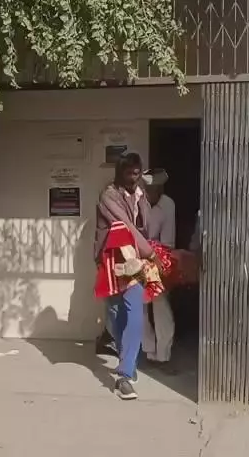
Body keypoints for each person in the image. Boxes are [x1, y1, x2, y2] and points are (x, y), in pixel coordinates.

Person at [94, 152, 157, 400]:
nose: (133, 178)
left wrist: (142, 198)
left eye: (137, 173)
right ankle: (126, 359)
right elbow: (126, 227)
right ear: (120, 173)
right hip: (112, 262)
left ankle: (125, 374)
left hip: (134, 262)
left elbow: (145, 224)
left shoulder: (140, 194)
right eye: (129, 173)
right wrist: (150, 252)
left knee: (135, 312)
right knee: (116, 314)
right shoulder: (109, 195)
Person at [141, 169, 177, 373]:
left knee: (160, 304)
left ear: (161, 189)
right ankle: (148, 350)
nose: (150, 193)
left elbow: (168, 241)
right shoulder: (138, 202)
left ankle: (163, 355)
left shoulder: (168, 205)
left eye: (154, 189)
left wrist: (161, 264)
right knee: (139, 306)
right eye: (147, 189)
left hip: (157, 255)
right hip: (137, 255)